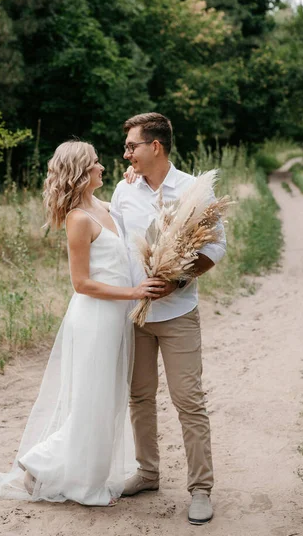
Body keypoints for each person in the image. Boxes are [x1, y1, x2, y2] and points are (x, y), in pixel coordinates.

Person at [0, 140, 165, 506]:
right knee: (91, 400)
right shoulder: (78, 218)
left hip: (115, 318)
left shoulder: (103, 206)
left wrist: (135, 175)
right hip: (94, 320)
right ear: (81, 171)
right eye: (96, 163)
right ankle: (40, 464)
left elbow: (136, 204)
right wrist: (135, 293)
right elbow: (82, 283)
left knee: (106, 400)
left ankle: (76, 473)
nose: (103, 167)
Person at [110, 113, 226, 525]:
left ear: (154, 146)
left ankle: (200, 489)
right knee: (139, 397)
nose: (126, 153)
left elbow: (216, 249)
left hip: (178, 313)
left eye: (131, 146)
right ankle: (147, 472)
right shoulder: (123, 192)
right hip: (135, 315)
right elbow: (115, 245)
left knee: (188, 401)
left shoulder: (194, 189)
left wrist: (177, 280)